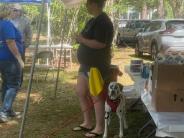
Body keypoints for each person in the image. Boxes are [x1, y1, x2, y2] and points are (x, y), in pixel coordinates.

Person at [73, 0, 114, 137]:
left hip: (97, 65)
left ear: (95, 4)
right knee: (80, 92)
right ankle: (87, 122)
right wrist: (79, 38)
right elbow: (85, 37)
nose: (86, 6)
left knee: (96, 95)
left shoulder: (103, 21)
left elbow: (100, 44)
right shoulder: (92, 21)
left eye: (88, 3)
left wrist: (82, 40)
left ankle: (99, 127)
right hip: (85, 64)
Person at [0, 5, 24, 122]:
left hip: (2, 59)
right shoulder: (6, 24)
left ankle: (7, 110)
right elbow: (10, 41)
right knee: (14, 85)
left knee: (6, 84)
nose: (14, 12)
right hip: (10, 59)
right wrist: (19, 58)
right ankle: (3, 112)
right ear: (7, 12)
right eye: (12, 10)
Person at [9, 4, 32, 86]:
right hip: (7, 47)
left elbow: (29, 34)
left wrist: (26, 45)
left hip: (20, 46)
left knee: (20, 64)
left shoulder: (25, 21)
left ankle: (19, 82)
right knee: (9, 64)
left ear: (20, 11)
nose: (14, 11)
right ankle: (9, 82)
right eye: (13, 9)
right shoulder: (6, 20)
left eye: (16, 10)